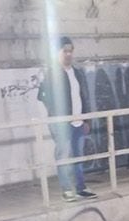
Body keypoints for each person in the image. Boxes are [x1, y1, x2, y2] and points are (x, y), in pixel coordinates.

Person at [38, 36, 97, 201]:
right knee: (63, 155)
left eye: (71, 51)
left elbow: (83, 96)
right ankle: (66, 189)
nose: (69, 54)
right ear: (57, 53)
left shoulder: (77, 73)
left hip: (79, 122)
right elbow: (43, 96)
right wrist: (58, 115)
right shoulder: (53, 74)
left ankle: (80, 187)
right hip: (63, 123)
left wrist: (87, 119)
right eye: (65, 51)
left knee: (78, 155)